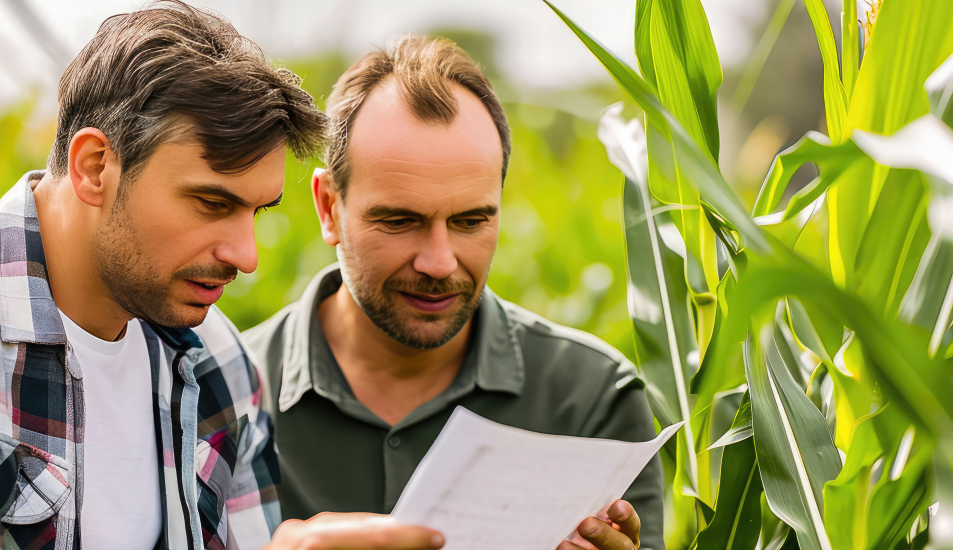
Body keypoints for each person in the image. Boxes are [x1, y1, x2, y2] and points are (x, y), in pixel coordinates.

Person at [0, 3, 443, 549]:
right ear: (95, 166)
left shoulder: (219, 362)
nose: (246, 254)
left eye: (256, 212)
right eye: (211, 203)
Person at [242, 35, 665, 550]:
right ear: (329, 207)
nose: (439, 263)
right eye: (400, 221)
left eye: (470, 221)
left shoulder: (591, 399)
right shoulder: (223, 394)